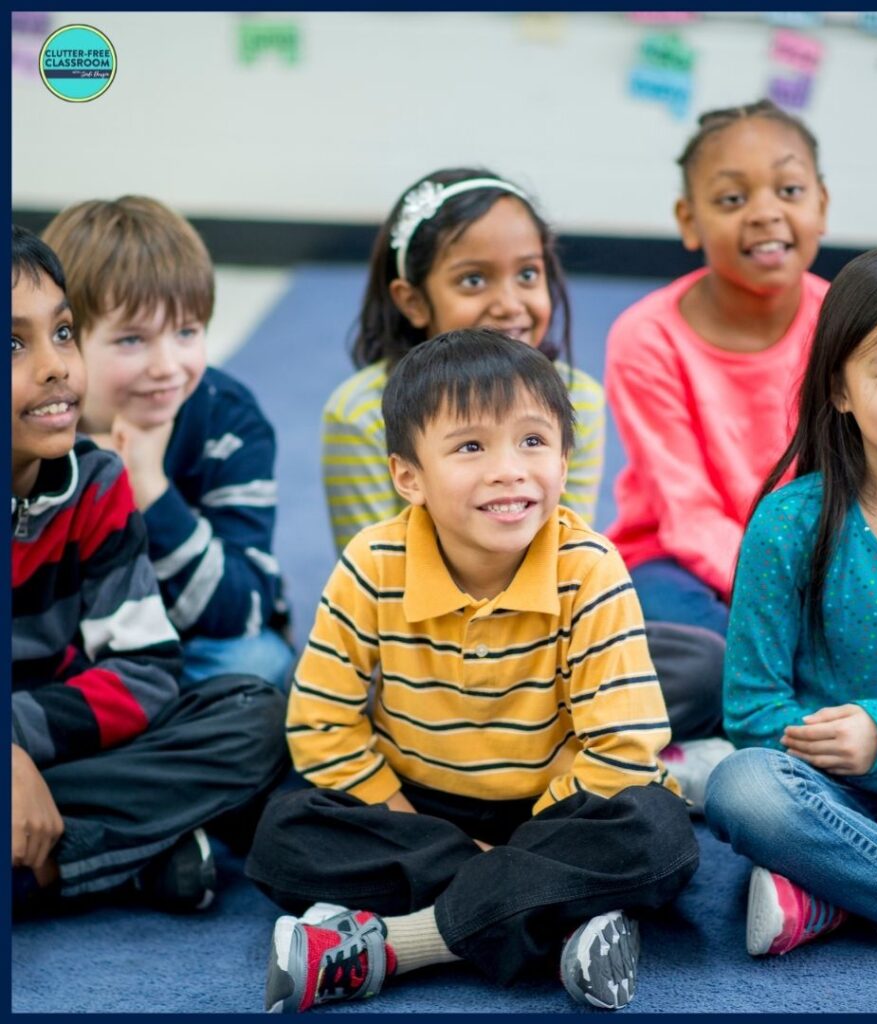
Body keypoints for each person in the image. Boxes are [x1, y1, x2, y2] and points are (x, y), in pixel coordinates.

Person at [247, 330, 697, 1012]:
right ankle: (558, 917)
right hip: (421, 809)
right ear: (408, 476)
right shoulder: (373, 565)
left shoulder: (590, 567)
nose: (510, 469)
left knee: (659, 833)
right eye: (470, 447)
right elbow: (322, 722)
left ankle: (394, 946)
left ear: (565, 457)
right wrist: (455, 843)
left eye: (533, 442)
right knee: (283, 837)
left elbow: (621, 749)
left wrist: (532, 837)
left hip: (561, 804)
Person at [703, 243, 877, 957]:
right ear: (840, 389)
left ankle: (832, 892)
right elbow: (754, 714)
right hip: (830, 791)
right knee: (741, 788)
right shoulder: (791, 522)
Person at [11, 226, 289, 917]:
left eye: (64, 333)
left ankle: (46, 860)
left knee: (253, 715)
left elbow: (143, 671)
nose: (53, 365)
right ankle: (110, 859)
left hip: (68, 740)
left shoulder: (95, 480)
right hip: (60, 734)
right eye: (13, 343)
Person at [603, 100, 831, 793]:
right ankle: (744, 750)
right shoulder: (646, 336)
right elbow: (688, 511)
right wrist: (780, 611)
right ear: (689, 221)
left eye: (789, 191)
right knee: (711, 664)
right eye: (732, 198)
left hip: (815, 566)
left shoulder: (847, 324)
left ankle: (736, 748)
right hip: (679, 566)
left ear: (822, 204)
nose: (764, 213)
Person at [40, 196, 294, 691]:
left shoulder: (228, 419)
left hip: (193, 646)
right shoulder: (36, 422)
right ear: (66, 339)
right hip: (71, 650)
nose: (167, 366)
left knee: (261, 668)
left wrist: (150, 489)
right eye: (132, 340)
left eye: (186, 332)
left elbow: (245, 610)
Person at [320, 166, 605, 558]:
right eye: (473, 280)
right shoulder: (361, 413)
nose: (509, 305)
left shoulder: (579, 398)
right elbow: (371, 572)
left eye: (527, 274)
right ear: (413, 302)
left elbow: (570, 557)